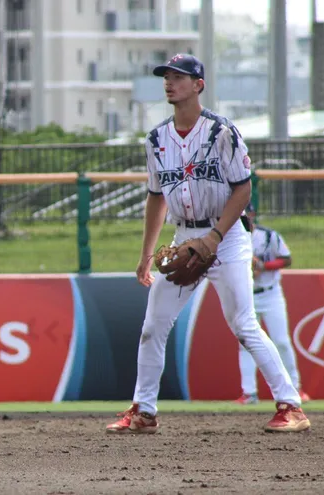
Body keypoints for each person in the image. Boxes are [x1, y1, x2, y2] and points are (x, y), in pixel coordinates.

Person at [104, 54, 310, 434]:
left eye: (178, 77)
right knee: (153, 326)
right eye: (166, 76)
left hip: (227, 238)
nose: (169, 82)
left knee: (244, 324)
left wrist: (215, 237)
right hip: (184, 236)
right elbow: (156, 197)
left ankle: (291, 405)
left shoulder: (221, 132)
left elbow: (243, 187)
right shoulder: (156, 139)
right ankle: (143, 412)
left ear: (198, 84)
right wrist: (146, 255)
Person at [234, 203, 310, 405]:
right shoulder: (230, 238)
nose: (244, 218)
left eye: (246, 214)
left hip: (270, 294)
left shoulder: (268, 236)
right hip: (246, 295)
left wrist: (264, 266)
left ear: (252, 214)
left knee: (281, 341)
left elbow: (286, 259)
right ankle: (249, 393)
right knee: (245, 344)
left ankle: (296, 388)